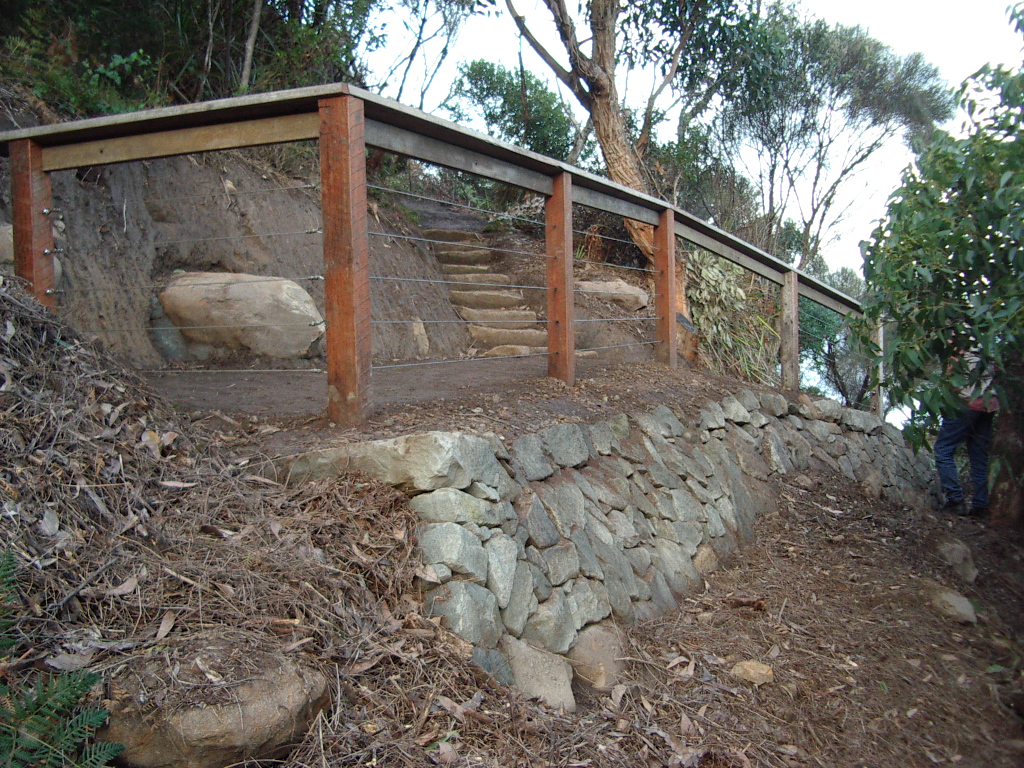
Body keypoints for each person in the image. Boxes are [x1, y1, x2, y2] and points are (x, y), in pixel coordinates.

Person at [934, 351, 1000, 517]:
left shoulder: (959, 338)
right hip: (988, 403)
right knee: (979, 456)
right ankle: (980, 504)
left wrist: (950, 394)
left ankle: (955, 500)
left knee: (943, 449)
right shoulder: (988, 340)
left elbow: (952, 372)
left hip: (964, 402)